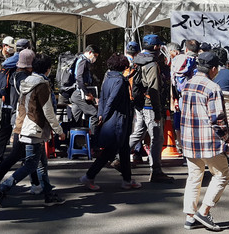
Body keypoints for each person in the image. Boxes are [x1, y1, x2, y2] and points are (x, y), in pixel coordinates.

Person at [0, 54, 65, 207]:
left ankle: (48, 194)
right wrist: (59, 131)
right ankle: (4, 187)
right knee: (31, 164)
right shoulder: (42, 85)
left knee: (40, 163)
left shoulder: (26, 82)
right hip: (34, 129)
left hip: (24, 126)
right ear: (48, 69)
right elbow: (48, 111)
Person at [181, 52, 229, 232]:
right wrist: (225, 138)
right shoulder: (212, 87)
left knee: (194, 177)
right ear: (214, 69)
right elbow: (218, 118)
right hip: (209, 141)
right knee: (222, 175)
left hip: (189, 140)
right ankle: (204, 210)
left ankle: (190, 216)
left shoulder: (187, 84)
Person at [80, 53, 140, 191]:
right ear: (123, 66)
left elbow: (102, 98)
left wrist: (101, 115)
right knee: (110, 150)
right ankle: (89, 176)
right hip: (118, 120)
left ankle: (127, 179)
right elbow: (112, 101)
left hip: (111, 120)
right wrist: (104, 116)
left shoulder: (108, 78)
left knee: (124, 149)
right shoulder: (120, 80)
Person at [128, 34, 174, 183]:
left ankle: (118, 156)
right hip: (150, 105)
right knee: (157, 137)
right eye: (159, 46)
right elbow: (154, 89)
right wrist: (157, 111)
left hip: (138, 103)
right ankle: (156, 170)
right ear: (156, 47)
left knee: (138, 132)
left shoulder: (136, 60)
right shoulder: (152, 64)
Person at [0, 38, 30, 171]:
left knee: (4, 132)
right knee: (20, 132)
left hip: (6, 101)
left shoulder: (8, 62)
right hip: (17, 103)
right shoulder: (24, 62)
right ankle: (23, 160)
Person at [69, 44, 100, 131]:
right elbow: (79, 77)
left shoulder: (79, 59)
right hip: (80, 94)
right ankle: (93, 140)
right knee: (95, 114)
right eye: (95, 56)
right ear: (90, 52)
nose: (95, 59)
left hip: (76, 94)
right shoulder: (83, 61)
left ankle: (73, 142)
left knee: (75, 120)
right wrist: (86, 93)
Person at [0, 36, 15, 140]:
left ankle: (10, 135)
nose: (11, 49)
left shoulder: (13, 57)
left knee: (11, 113)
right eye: (10, 47)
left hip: (10, 90)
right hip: (0, 90)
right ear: (4, 46)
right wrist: (3, 77)